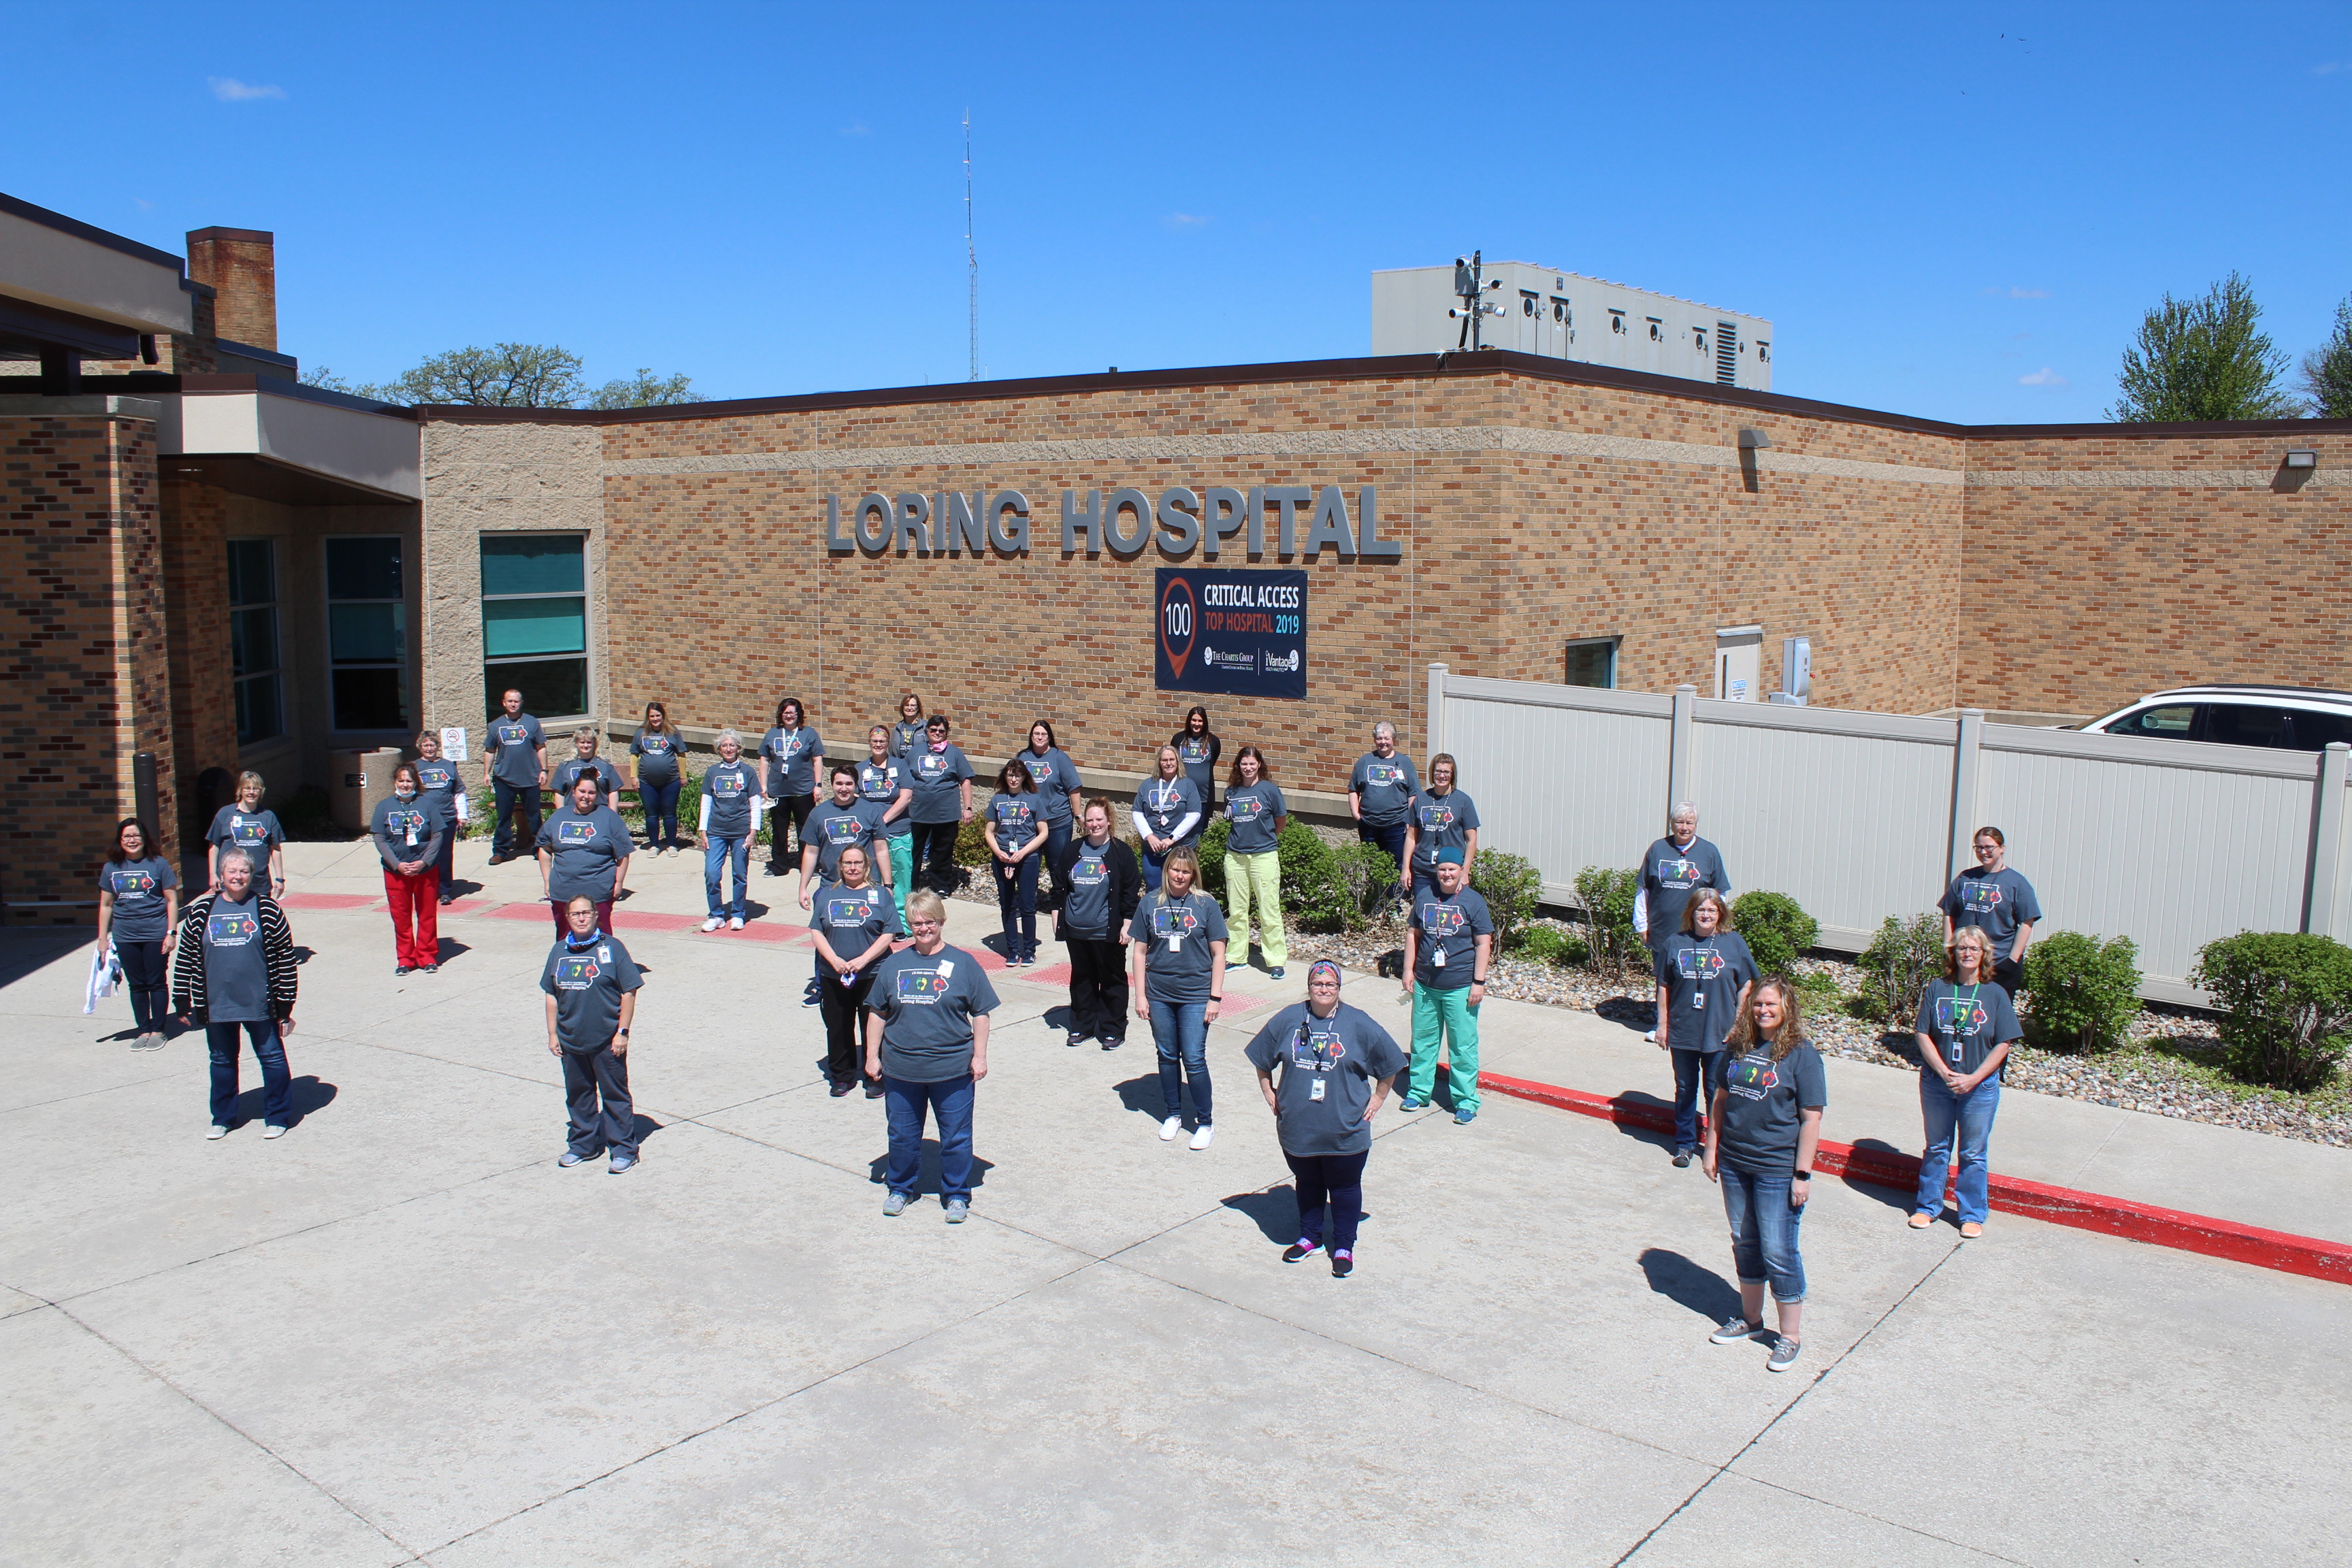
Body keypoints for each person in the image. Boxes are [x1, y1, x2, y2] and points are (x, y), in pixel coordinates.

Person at [1245, 960, 1405, 1278]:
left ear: (1339, 988)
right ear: (1309, 986)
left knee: (1345, 1187)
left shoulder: (1358, 1023)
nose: (1323, 989)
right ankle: (1310, 1238)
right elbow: (1262, 1057)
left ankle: (1344, 1245)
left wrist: (1379, 1098)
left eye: (1330, 985)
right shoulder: (1290, 1018)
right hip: (1298, 1127)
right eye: (1318, 984)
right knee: (1307, 1183)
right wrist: (1268, 1090)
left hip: (1345, 1129)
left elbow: (1391, 1063)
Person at [1703, 977, 1825, 1374]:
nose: (1763, 1011)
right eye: (1758, 1004)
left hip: (1777, 1168)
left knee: (1778, 1249)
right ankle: (1751, 1323)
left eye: (1771, 1004)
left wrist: (1802, 1174)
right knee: (1744, 1240)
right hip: (1736, 1163)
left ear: (1786, 1007)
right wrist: (1711, 1148)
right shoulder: (1736, 1048)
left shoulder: (1803, 1056)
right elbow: (1719, 1101)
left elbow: (1811, 1119)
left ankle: (1789, 1337)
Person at [866, 889, 1000, 1222]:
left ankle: (956, 1194)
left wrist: (979, 1056)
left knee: (955, 1136)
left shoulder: (964, 963)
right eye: (917, 924)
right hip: (902, 1069)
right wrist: (872, 1056)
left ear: (941, 922)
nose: (924, 929)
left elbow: (981, 1012)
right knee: (901, 1135)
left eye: (930, 922)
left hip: (952, 1070)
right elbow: (877, 1013)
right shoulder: (895, 964)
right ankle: (900, 1188)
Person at [171, 849, 298, 1139]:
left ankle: (277, 1116)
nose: (238, 877)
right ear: (222, 875)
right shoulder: (202, 911)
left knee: (272, 1058)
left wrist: (285, 1005)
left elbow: (285, 959)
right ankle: (223, 1118)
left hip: (259, 1005)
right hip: (217, 1005)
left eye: (243, 871)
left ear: (251, 875)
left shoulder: (267, 909)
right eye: (232, 871)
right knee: (221, 1061)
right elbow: (186, 957)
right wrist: (181, 1000)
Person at [1910, 926, 2022, 1239]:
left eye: (1974, 949)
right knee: (1937, 1147)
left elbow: (2004, 1043)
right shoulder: (1937, 988)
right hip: (1937, 1083)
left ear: (1984, 954)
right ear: (1953, 953)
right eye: (1962, 948)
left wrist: (1974, 1078)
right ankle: (1927, 1206)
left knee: (1973, 1153)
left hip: (1979, 1087)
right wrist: (1944, 1072)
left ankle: (1971, 1213)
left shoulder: (1995, 994)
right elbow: (1922, 1033)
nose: (1968, 954)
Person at [1130, 845, 1228, 1149]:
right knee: (1167, 1055)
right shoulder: (1149, 903)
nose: (1180, 876)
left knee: (1194, 1058)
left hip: (1195, 994)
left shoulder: (1205, 905)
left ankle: (1205, 1121)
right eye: (1175, 869)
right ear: (1167, 870)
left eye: (1186, 871)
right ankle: (1173, 1114)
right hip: (1159, 994)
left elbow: (1219, 953)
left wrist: (1215, 998)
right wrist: (1140, 996)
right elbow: (1139, 952)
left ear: (1193, 874)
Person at [1654, 888, 1757, 1167]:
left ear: (1720, 914)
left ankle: (1715, 1146)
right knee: (1685, 1088)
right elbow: (1663, 985)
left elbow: (1746, 985)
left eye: (1712, 910)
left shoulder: (1733, 943)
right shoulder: (1675, 942)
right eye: (1701, 910)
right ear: (1691, 912)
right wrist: (1662, 1025)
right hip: (1683, 1030)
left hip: (1720, 1033)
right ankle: (1685, 1144)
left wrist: (1738, 1023)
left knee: (1716, 1090)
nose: (1706, 915)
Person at [542, 893, 644, 1173]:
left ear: (596, 915)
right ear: (568, 918)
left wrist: (622, 1032)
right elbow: (551, 995)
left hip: (606, 1040)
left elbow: (629, 991)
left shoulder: (612, 948)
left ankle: (624, 1149)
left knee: (615, 1095)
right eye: (576, 914)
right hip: (571, 1039)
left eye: (587, 912)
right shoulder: (559, 951)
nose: (582, 918)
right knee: (578, 1095)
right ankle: (583, 1146)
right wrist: (553, 1034)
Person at [1396, 848, 1492, 1124]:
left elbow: (1483, 943)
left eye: (1452, 869)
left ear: (1462, 870)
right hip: (1426, 984)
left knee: (1462, 1046)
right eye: (1442, 869)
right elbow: (1413, 934)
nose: (1447, 874)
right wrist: (1408, 970)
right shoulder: (1426, 896)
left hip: (1460, 986)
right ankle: (1418, 1091)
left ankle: (1465, 1101)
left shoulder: (1473, 902)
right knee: (1423, 1041)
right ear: (1435, 871)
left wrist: (1478, 982)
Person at [812, 845, 902, 1098]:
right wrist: (834, 960)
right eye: (848, 863)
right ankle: (842, 1075)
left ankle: (876, 1074)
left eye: (858, 863)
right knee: (838, 1025)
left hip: (873, 973)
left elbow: (889, 932)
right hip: (834, 973)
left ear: (867, 866)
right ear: (840, 867)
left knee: (873, 1025)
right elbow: (817, 930)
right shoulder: (827, 895)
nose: (853, 868)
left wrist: (863, 960)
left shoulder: (880, 895)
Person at [1637, 803, 1731, 1042]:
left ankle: (1695, 1027)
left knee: (1697, 978)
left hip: (1698, 931)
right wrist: (1641, 924)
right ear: (1672, 824)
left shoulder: (1709, 852)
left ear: (1696, 825)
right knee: (1665, 981)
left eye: (1689, 822)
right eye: (1680, 822)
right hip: (1663, 931)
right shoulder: (1658, 849)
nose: (1684, 827)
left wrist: (1717, 924)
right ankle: (1664, 1027)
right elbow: (1643, 891)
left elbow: (1720, 893)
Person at [1053, 798, 1140, 1051]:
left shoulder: (1121, 853)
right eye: (1089, 820)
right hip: (1077, 931)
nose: (1094, 824)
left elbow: (1130, 893)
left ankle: (1113, 1029)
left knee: (1112, 980)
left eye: (1099, 819)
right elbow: (1059, 886)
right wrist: (1058, 918)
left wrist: (1127, 925)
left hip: (1108, 932)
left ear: (1109, 821)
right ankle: (1082, 1025)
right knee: (1082, 979)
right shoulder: (1072, 851)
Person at [97, 816, 178, 1049]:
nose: (132, 840)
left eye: (136, 835)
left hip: (155, 933)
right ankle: (143, 1030)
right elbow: (106, 905)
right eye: (127, 836)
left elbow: (171, 900)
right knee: (137, 984)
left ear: (144, 839)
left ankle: (159, 1030)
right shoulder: (111, 867)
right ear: (120, 840)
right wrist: (103, 939)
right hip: (125, 936)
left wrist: (171, 932)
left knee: (156, 982)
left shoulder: (158, 864)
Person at [1939, 826, 2042, 994]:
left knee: (1996, 1015)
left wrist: (2012, 960)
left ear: (2002, 849)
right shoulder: (1965, 878)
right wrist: (1947, 949)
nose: (1983, 852)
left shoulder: (2017, 883)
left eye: (1989, 847)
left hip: (1999, 964)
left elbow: (2027, 922)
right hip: (1965, 962)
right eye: (1978, 847)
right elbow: (1949, 913)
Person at [1220, 745, 1288, 979]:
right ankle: (1237, 956)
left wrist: (1266, 839)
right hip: (1236, 857)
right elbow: (1231, 821)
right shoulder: (1231, 792)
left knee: (1269, 909)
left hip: (1264, 856)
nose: (1248, 768)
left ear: (1259, 764)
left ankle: (1276, 960)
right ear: (1238, 766)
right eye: (1244, 764)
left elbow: (1281, 820)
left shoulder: (1269, 790)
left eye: (1252, 763)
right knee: (1237, 910)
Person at [536, 773, 632, 936]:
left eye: (591, 793)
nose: (586, 797)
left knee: (601, 939)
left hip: (597, 891)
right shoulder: (559, 816)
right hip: (563, 890)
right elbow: (544, 849)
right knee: (565, 938)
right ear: (573, 792)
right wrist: (547, 880)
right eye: (582, 791)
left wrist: (619, 882)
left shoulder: (609, 818)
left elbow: (623, 854)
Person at [372, 761, 444, 976]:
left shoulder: (428, 804)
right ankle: (405, 959)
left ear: (416, 782)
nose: (405, 784)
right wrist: (397, 864)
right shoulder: (384, 806)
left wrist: (424, 862)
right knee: (401, 917)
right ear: (395, 781)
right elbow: (379, 837)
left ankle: (427, 956)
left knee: (427, 915)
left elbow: (438, 835)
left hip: (426, 871)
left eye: (409, 780)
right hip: (396, 873)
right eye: (401, 780)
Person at [985, 759, 1049, 967]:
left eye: (1018, 775)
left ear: (1025, 778)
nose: (1014, 779)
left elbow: (1043, 832)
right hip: (1002, 858)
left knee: (1027, 905)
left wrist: (1023, 852)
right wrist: (999, 852)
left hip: (1027, 858)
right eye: (1010, 775)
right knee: (1007, 905)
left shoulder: (1034, 800)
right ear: (1005, 776)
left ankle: (1029, 950)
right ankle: (1013, 950)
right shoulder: (997, 801)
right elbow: (989, 831)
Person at [697, 730, 762, 932]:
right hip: (716, 831)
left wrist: (753, 832)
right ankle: (716, 915)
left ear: (739, 748)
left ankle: (737, 913)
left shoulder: (748, 772)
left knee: (740, 874)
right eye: (724, 745)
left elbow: (756, 804)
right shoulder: (712, 772)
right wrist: (703, 830)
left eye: (732, 745)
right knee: (712, 873)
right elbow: (706, 803)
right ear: (719, 749)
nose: (728, 749)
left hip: (740, 832)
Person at [1017, 720, 1084, 911]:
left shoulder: (1059, 757)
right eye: (1036, 734)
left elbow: (1074, 788)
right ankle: (1027, 902)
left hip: (1057, 821)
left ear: (1049, 737)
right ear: (1031, 737)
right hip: (1029, 822)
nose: (1039, 738)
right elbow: (1012, 783)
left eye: (1043, 734)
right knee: (1029, 862)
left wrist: (1078, 815)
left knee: (1057, 864)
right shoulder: (1023, 757)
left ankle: (1059, 902)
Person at [906, 714, 975, 897]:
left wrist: (967, 808)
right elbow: (904, 778)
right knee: (914, 850)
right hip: (917, 811)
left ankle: (941, 885)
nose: (937, 733)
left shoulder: (954, 753)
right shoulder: (915, 752)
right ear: (927, 731)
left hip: (946, 812)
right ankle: (911, 884)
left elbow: (965, 780)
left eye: (941, 731)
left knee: (942, 851)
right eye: (933, 730)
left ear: (947, 733)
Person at [857, 724, 916, 925]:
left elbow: (906, 797)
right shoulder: (860, 769)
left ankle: (901, 924)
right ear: (869, 743)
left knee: (900, 880)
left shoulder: (900, 766)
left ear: (888, 743)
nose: (878, 745)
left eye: (882, 741)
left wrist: (882, 821)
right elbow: (854, 800)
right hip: (869, 836)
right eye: (874, 741)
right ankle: (875, 922)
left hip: (897, 832)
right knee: (871, 880)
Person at [1400, 753, 1481, 900]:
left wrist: (1465, 871)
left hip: (1450, 871)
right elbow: (1411, 837)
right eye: (1438, 771)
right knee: (1424, 913)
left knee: (1449, 915)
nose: (1442, 776)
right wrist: (1406, 868)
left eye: (1446, 772)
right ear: (1432, 773)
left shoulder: (1463, 801)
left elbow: (1472, 840)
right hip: (1423, 870)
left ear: (1452, 775)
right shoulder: (1421, 799)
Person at [482, 688, 549, 866]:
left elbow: (541, 747)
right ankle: (501, 851)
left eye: (516, 701)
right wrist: (486, 773)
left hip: (530, 778)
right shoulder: (495, 725)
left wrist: (544, 770)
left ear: (521, 703)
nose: (513, 704)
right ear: (504, 703)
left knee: (534, 816)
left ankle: (539, 848)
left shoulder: (532, 722)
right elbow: (490, 750)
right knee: (503, 817)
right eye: (510, 701)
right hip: (504, 779)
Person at [760, 696, 826, 877]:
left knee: (805, 830)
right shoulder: (772, 734)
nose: (789, 716)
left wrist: (818, 785)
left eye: (792, 712)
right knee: (779, 829)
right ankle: (779, 866)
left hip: (803, 790)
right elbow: (765, 759)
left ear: (799, 715)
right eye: (786, 712)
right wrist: (763, 785)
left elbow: (817, 759)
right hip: (777, 791)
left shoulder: (809, 733)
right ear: (781, 715)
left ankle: (809, 866)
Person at [1348, 722, 1420, 877]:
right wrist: (1356, 814)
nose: (1383, 742)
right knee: (1371, 863)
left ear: (1394, 739)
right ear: (1375, 740)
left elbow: (1413, 793)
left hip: (1397, 825)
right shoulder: (1365, 762)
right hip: (1368, 825)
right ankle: (1375, 897)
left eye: (1386, 738)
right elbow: (1353, 789)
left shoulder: (1405, 763)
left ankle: (1395, 899)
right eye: (1379, 738)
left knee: (1397, 865)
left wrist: (1410, 820)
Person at [1132, 745, 1203, 894]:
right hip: (1153, 849)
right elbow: (1137, 812)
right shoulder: (1148, 785)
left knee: (1180, 886)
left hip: (1180, 848)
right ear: (1159, 763)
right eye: (1165, 760)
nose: (1168, 763)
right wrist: (1149, 836)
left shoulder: (1188, 785)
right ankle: (1155, 915)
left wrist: (1172, 838)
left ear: (1178, 762)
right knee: (1153, 886)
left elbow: (1194, 814)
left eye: (1172, 759)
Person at [205, 770, 285, 895]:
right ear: (240, 790)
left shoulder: (268, 816)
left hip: (259, 884)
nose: (251, 792)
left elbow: (275, 848)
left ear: (261, 791)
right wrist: (213, 875)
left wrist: (280, 878)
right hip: (230, 883)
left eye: (256, 789)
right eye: (247, 788)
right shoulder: (225, 814)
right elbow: (214, 846)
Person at [411, 730, 466, 904]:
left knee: (444, 855)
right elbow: (407, 793)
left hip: (446, 818)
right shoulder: (413, 767)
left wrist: (462, 815)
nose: (429, 748)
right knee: (423, 854)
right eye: (425, 745)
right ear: (420, 747)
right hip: (422, 819)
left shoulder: (449, 765)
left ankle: (445, 890)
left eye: (432, 745)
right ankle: (425, 887)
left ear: (438, 746)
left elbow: (459, 791)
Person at [630, 700, 685, 854]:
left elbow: (681, 754)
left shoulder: (672, 732)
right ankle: (654, 845)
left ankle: (671, 845)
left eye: (658, 715)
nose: (655, 719)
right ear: (648, 717)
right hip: (647, 782)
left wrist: (683, 776)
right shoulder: (640, 733)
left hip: (671, 781)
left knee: (670, 813)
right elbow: (634, 755)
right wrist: (634, 777)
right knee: (651, 814)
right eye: (652, 716)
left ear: (663, 715)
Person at [550, 728, 624, 804]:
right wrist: (561, 813)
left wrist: (612, 813)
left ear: (594, 743)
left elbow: (613, 791)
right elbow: (559, 792)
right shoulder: (565, 766)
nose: (586, 745)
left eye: (589, 742)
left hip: (600, 811)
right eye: (582, 742)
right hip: (572, 812)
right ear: (576, 743)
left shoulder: (605, 765)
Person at [1171, 705, 1222, 815]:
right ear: (1189, 721)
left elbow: (1211, 763)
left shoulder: (1213, 741)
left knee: (1201, 831)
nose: (1197, 724)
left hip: (1203, 798)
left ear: (1205, 723)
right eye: (1194, 720)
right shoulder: (1178, 739)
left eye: (1200, 721)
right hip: (1180, 796)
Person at [888, 692, 928, 760]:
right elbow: (891, 752)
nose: (909, 708)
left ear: (918, 708)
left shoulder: (925, 727)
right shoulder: (898, 728)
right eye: (907, 705)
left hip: (919, 767)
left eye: (913, 705)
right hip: (901, 767)